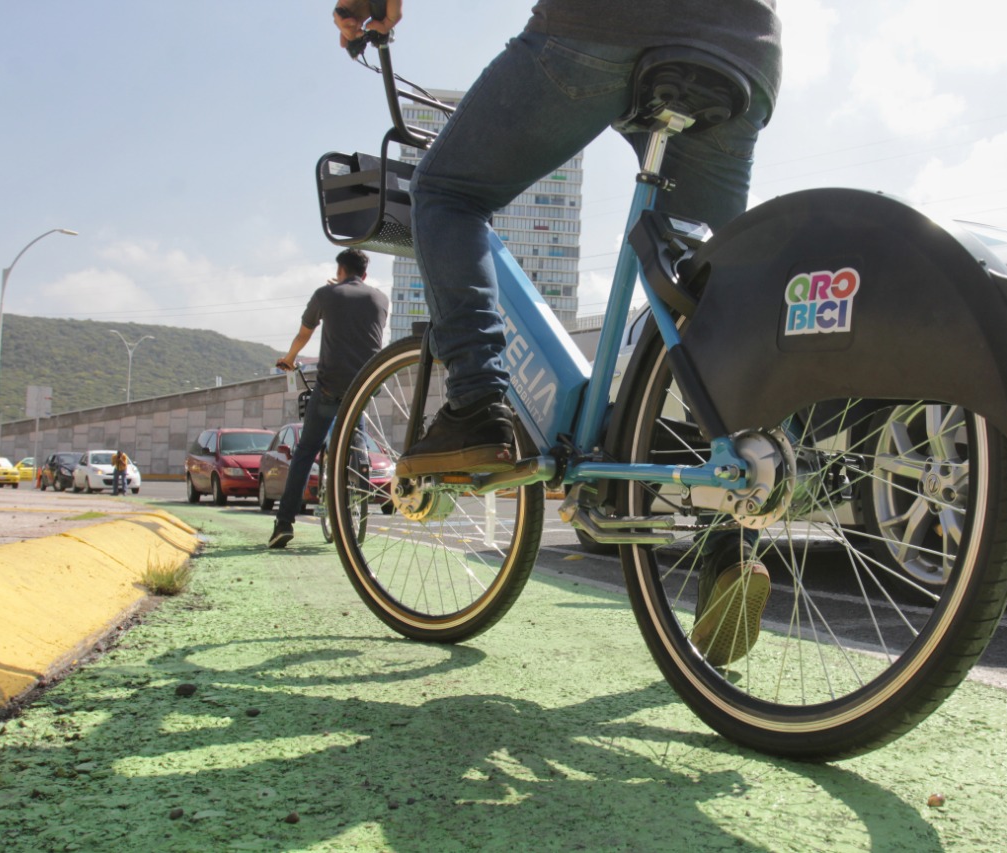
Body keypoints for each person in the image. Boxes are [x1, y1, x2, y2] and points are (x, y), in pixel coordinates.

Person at [332, 2, 780, 661]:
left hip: (610, 24)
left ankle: (478, 406)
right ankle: (732, 543)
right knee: (697, 296)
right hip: (747, 45)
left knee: (446, 191)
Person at [269, 247, 389, 548]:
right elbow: (362, 333)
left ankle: (284, 523)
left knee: (306, 451)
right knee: (354, 428)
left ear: (340, 271)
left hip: (330, 386)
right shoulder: (380, 298)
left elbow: (304, 335)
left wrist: (289, 358)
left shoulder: (325, 294)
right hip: (365, 384)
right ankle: (356, 468)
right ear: (364, 274)